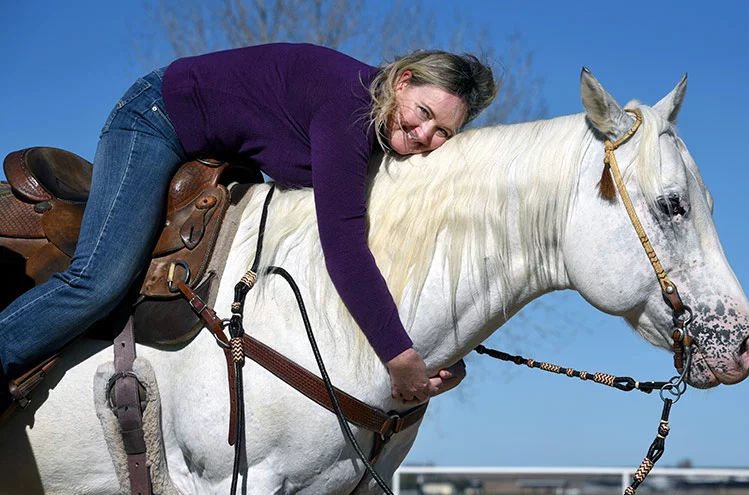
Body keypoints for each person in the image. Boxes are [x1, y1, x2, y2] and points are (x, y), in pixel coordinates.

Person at [0, 43, 497, 405]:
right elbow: (343, 245)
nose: (424, 134)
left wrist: (438, 346)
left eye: (442, 133)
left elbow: (391, 246)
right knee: (98, 279)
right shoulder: (350, 108)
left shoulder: (379, 131)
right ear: (403, 80)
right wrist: (398, 355)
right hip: (158, 116)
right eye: (425, 112)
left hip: (216, 150)